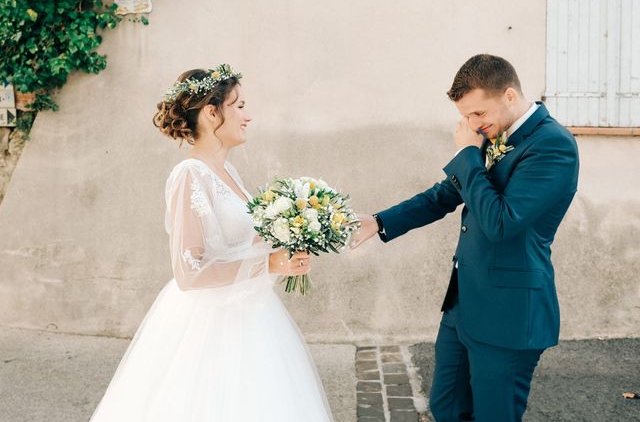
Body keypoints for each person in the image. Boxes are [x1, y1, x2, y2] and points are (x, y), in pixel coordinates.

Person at [90, 64, 333, 421]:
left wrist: (295, 238)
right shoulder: (189, 175)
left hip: (249, 316)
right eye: (239, 106)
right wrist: (268, 263)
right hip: (210, 325)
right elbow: (190, 273)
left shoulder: (227, 172)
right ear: (211, 112)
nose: (248, 116)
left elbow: (241, 242)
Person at [352, 54, 579, 421]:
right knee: (446, 408)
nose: (471, 124)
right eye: (466, 116)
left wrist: (467, 154)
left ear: (508, 96)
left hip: (509, 314)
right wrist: (378, 222)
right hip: (463, 305)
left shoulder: (553, 146)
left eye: (477, 114)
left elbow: (501, 222)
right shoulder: (494, 134)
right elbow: (445, 195)